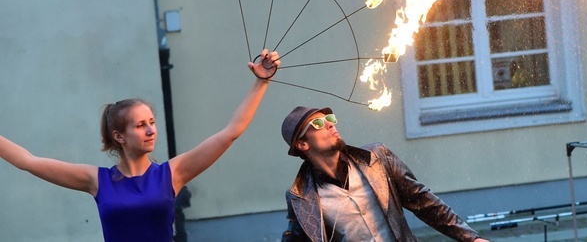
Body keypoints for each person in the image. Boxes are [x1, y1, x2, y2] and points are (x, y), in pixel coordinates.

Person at [0, 49, 280, 242]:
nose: (150, 130)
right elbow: (27, 160)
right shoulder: (96, 180)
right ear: (119, 136)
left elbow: (231, 132)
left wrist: (261, 82)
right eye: (140, 125)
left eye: (152, 122)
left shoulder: (172, 173)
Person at [280, 105, 490, 242]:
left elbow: (423, 201)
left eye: (329, 118)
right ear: (302, 144)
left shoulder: (376, 159)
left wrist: (470, 238)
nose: (329, 124)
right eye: (317, 124)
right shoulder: (301, 198)